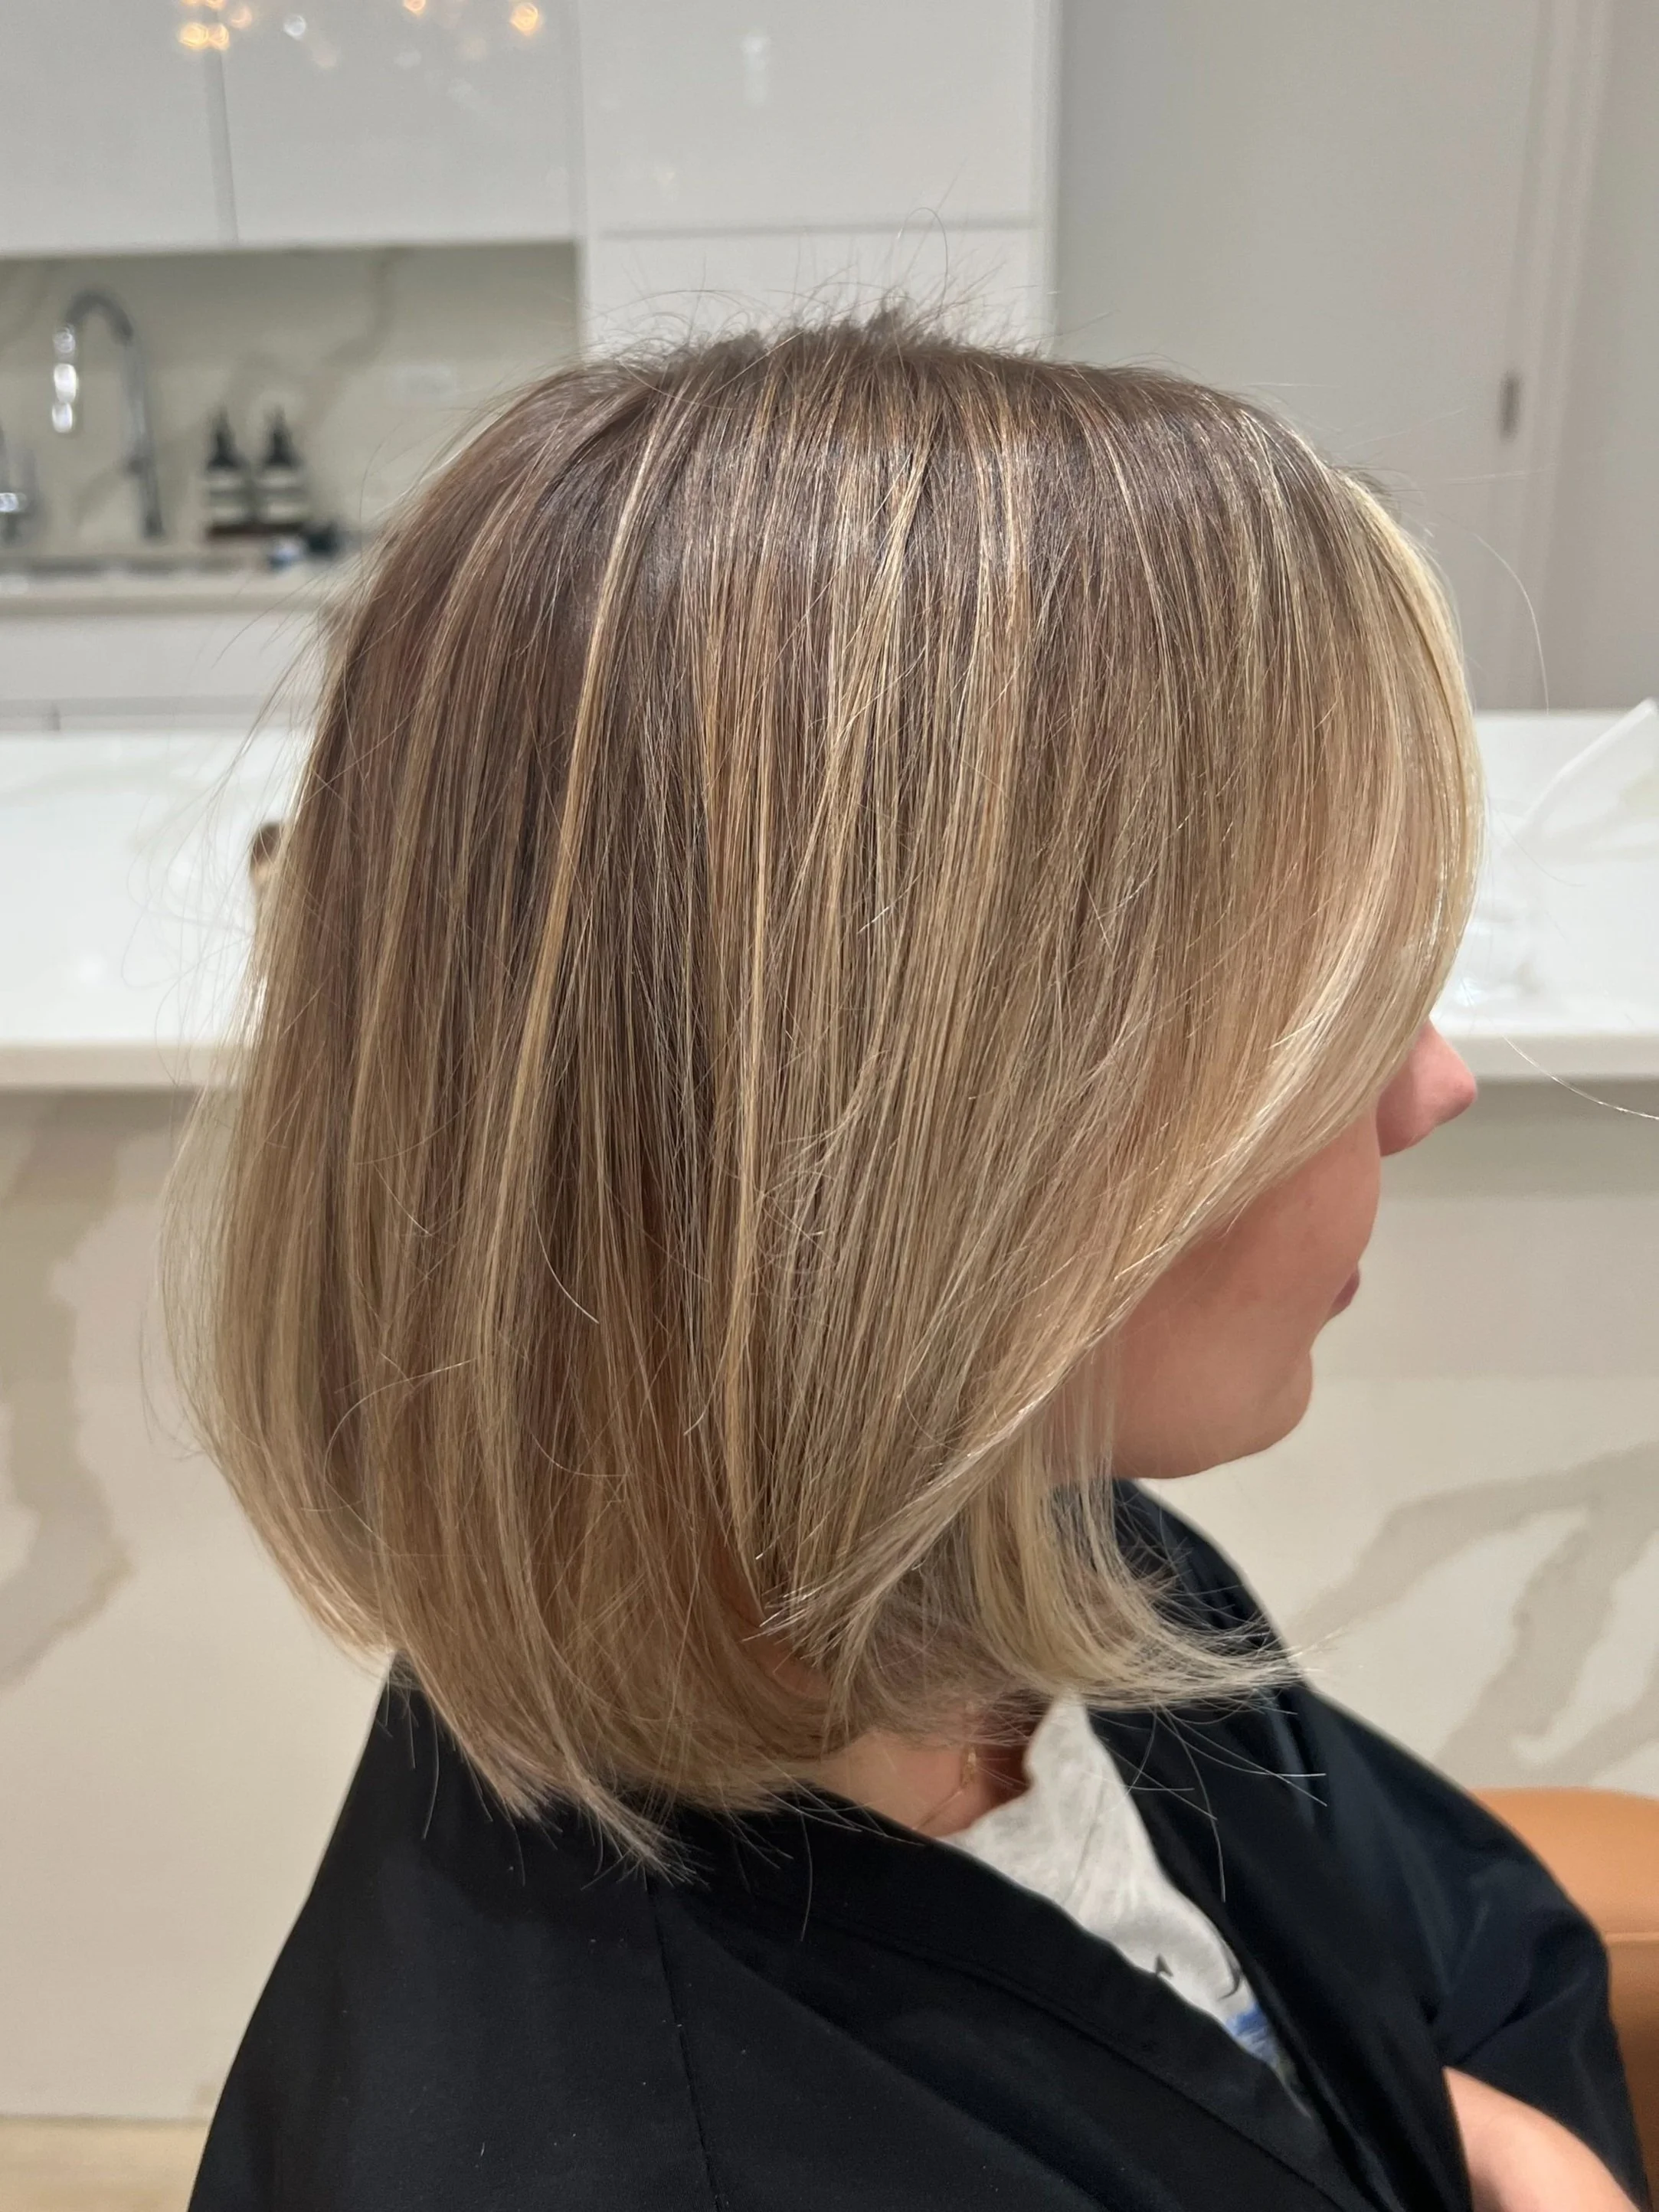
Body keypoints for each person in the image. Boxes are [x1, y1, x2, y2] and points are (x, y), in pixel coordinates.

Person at [175, 318, 1646, 2211]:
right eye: (1339, 1005)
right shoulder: (642, 2143)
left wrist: (1500, 2147)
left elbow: (1396, 1973)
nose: (1429, 1086)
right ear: (943, 1151)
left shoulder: (1019, 1556)